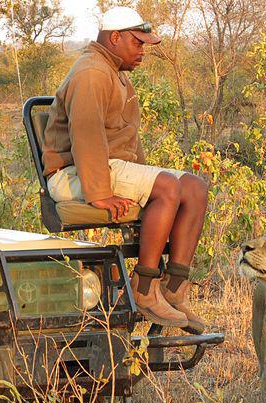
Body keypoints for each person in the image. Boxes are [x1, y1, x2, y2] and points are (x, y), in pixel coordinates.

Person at [41, 6, 208, 333]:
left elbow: (125, 146)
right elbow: (85, 137)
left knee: (194, 188)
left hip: (104, 168)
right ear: (114, 38)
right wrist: (100, 193)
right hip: (73, 175)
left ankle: (174, 289)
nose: (143, 50)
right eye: (138, 42)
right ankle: (144, 290)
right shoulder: (92, 73)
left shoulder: (114, 72)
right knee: (167, 188)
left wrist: (148, 183)